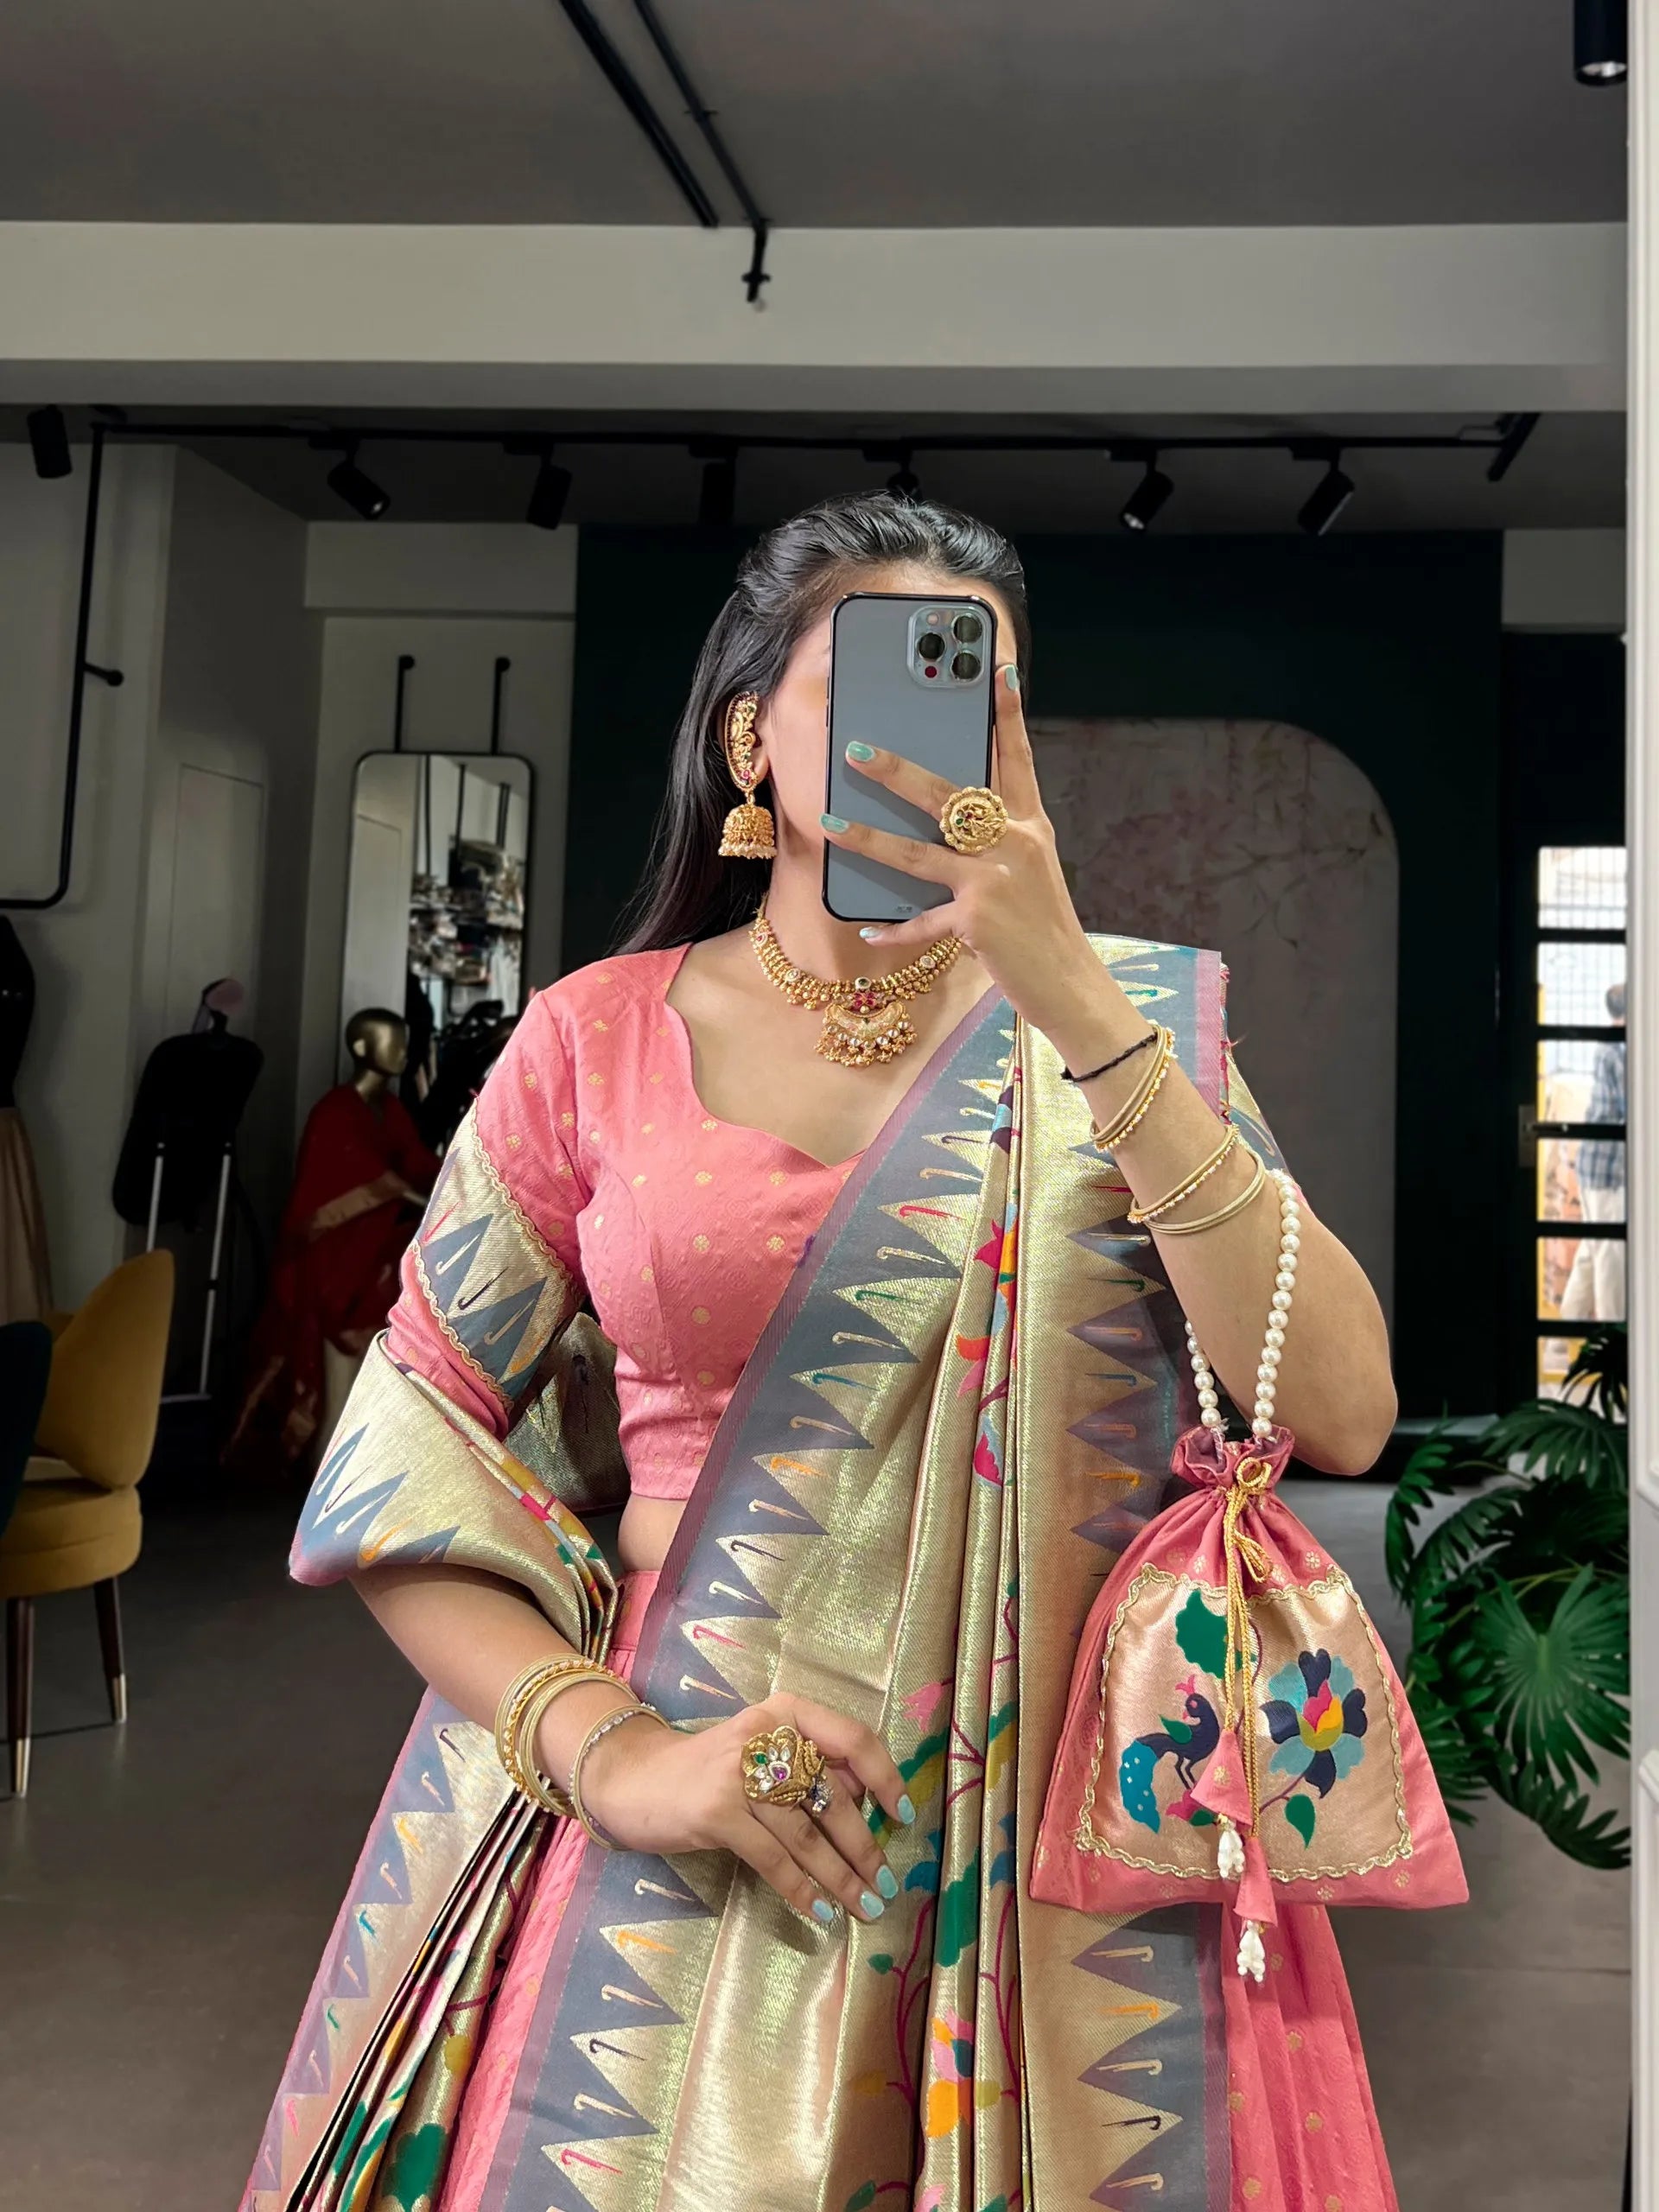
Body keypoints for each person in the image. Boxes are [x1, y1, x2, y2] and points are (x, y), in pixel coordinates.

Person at [246, 496, 1398, 2212]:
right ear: (748, 743)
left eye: (981, 701)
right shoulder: (596, 1040)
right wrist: (617, 1755)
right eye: (877, 690)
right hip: (709, 1830)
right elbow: (405, 1438)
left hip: (1072, 1872)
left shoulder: (1132, 1025)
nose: (933, 747)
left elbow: (1346, 1408)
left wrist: (1084, 1012)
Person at [227, 1008, 437, 1471]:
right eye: (394, 1042)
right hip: (332, 1254)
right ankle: (328, 1451)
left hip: (373, 1246)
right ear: (362, 1047)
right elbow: (358, 1180)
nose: (404, 1053)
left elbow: (417, 1163)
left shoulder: (391, 1109)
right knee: (348, 1324)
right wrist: (414, 1195)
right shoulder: (336, 1110)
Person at [1562, 979, 1627, 1326]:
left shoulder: (1609, 1045)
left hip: (1595, 1166)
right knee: (1609, 1257)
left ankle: (1558, 1339)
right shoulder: (1621, 1049)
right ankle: (1612, 1342)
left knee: (1591, 1253)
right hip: (1608, 1171)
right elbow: (1631, 1107)